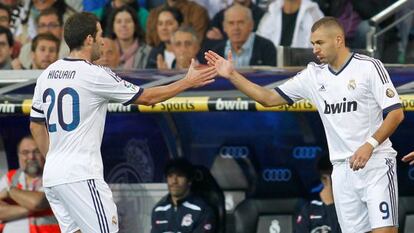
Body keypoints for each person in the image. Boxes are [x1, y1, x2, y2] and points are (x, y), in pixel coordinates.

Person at [205, 16, 404, 233]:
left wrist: (369, 144)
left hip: (375, 162)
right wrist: (233, 75)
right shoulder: (313, 75)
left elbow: (396, 113)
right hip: (342, 170)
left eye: (320, 43)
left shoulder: (368, 67)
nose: (314, 49)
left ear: (338, 40)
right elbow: (268, 98)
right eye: (312, 44)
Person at [29, 12, 216, 233]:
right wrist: (187, 81)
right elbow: (147, 98)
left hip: (52, 176)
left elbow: (35, 125)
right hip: (80, 174)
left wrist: (54, 158)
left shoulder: (47, 74)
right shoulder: (93, 74)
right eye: (99, 35)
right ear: (89, 39)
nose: (102, 41)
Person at [0, 135, 60, 233]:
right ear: (18, 156)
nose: (31, 157)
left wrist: (9, 191)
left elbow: (37, 202)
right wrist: (36, 209)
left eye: (36, 152)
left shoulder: (54, 176)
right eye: (25, 152)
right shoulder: (9, 177)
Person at [151, 158, 216, 233]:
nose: (174, 181)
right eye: (170, 176)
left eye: (180, 176)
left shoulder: (203, 211)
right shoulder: (158, 210)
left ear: (189, 181)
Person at [294, 155, 341, 233]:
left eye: (332, 177)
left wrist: (330, 205)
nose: (329, 183)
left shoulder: (347, 202)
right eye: (324, 178)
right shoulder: (308, 204)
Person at [256, 0, 324, 48]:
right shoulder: (270, 13)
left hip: (304, 66)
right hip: (272, 66)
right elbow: (260, 45)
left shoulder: (314, 14)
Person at [106, 5, 151, 69]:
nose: (123, 25)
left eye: (128, 21)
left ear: (135, 26)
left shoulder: (148, 52)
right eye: (119, 21)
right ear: (113, 27)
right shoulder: (104, 52)